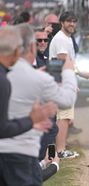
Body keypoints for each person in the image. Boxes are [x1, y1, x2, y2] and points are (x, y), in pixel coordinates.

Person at [0, 23, 76, 186]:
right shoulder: (30, 78)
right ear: (32, 47)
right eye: (38, 41)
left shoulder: (9, 74)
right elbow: (67, 100)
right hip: (21, 152)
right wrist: (69, 71)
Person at [49, 11, 89, 159]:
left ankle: (58, 151)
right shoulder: (61, 39)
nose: (72, 24)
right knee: (63, 118)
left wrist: (78, 75)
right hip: (61, 82)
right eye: (69, 21)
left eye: (74, 21)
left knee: (64, 118)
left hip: (62, 81)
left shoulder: (66, 38)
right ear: (62, 23)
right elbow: (63, 62)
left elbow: (68, 63)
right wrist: (73, 80)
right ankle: (60, 152)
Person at [0, 25, 54, 139]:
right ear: (16, 52)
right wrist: (31, 121)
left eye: (45, 40)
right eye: (39, 40)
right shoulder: (4, 80)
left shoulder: (5, 76)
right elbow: (3, 129)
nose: (43, 43)